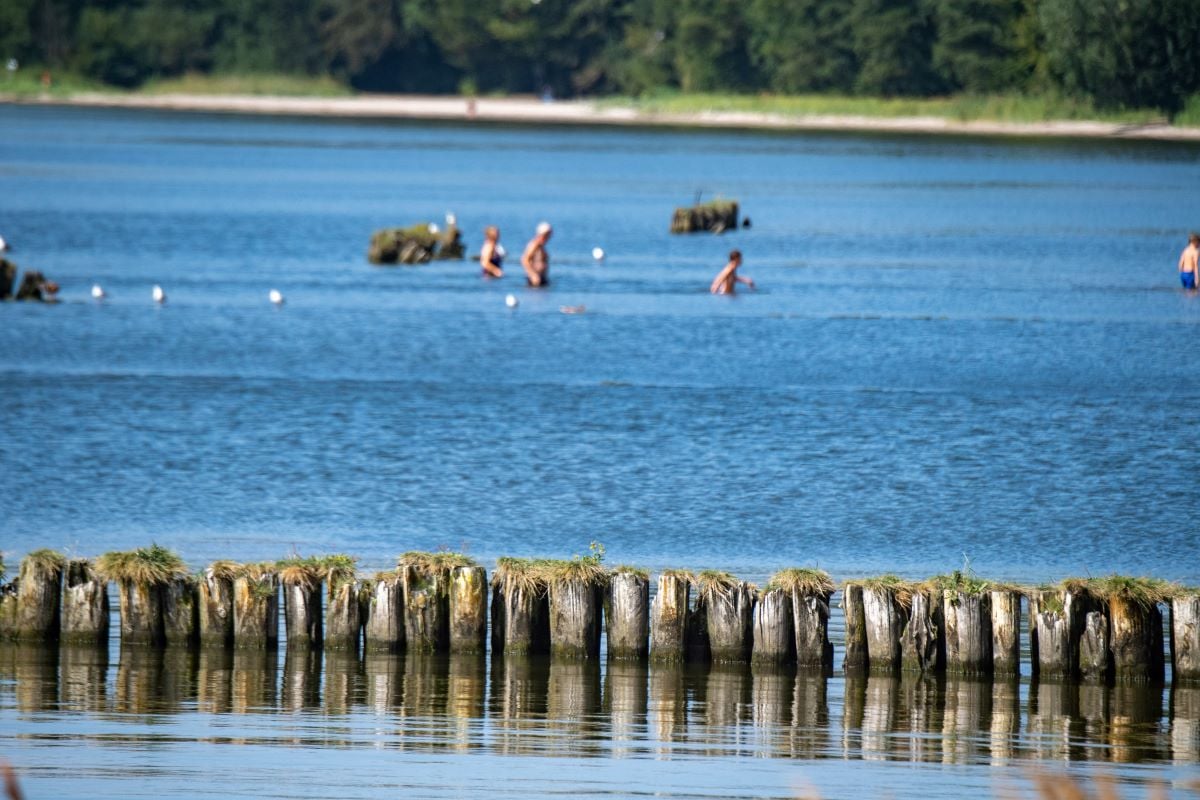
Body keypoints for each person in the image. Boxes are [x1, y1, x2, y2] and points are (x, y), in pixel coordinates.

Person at [522, 221, 552, 287]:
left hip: (541, 277)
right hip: (535, 279)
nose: (550, 237)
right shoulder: (535, 244)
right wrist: (533, 275)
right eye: (548, 234)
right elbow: (524, 260)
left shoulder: (541, 246)